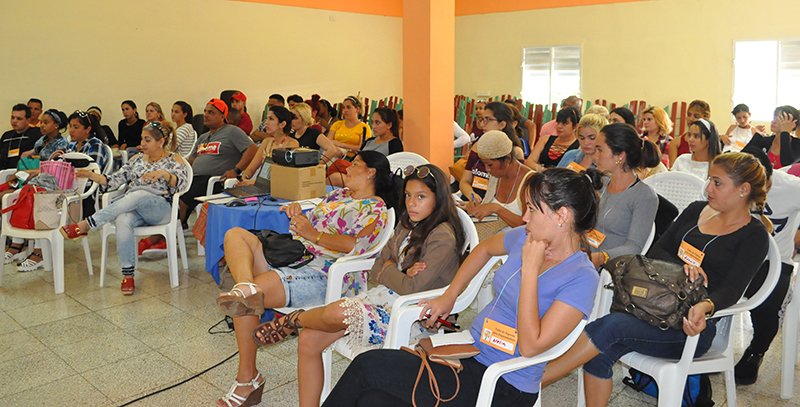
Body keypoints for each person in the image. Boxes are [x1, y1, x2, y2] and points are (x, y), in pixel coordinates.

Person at [321, 168, 601, 407]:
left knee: (368, 367)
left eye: (532, 209)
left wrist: (529, 270)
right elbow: (483, 249)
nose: (525, 217)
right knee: (373, 399)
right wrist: (450, 295)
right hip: (469, 354)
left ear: (562, 215)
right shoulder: (526, 238)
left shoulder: (581, 277)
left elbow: (530, 347)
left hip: (504, 383)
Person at [541, 152, 773, 407]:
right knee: (600, 350)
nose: (708, 188)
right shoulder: (696, 211)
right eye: (710, 180)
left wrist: (705, 306)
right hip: (654, 307)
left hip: (692, 326)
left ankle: (533, 381)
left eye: (717, 183)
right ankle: (533, 381)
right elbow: (658, 250)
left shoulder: (754, 235)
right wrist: (684, 267)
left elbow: (732, 289)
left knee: (611, 327)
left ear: (743, 189)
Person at [254, 164, 464, 407]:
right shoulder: (408, 224)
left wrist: (391, 269)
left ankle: (294, 319)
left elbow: (410, 288)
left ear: (439, 199)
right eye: (408, 195)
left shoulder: (442, 236)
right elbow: (376, 268)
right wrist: (399, 271)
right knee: (309, 339)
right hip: (384, 299)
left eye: (421, 197)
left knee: (340, 311)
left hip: (412, 316)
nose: (411, 203)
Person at [213, 151, 399, 407]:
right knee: (235, 235)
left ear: (371, 172)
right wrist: (298, 212)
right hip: (296, 257)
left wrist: (314, 235)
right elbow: (312, 220)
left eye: (355, 164)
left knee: (248, 300)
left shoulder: (376, 208)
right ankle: (245, 287)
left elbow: (356, 245)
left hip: (324, 273)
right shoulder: (340, 195)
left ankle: (248, 379)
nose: (347, 168)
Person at [59, 121, 189, 295]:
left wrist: (164, 174)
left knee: (138, 194)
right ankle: (128, 275)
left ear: (161, 142)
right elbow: (114, 181)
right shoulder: (136, 160)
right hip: (134, 206)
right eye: (142, 139)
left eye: (147, 140)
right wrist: (92, 175)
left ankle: (87, 224)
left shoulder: (174, 159)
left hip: (162, 209)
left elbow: (182, 186)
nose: (142, 144)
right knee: (123, 218)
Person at [734, 147, 800, 385]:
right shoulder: (729, 182)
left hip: (775, 261)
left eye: (766, 186)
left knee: (770, 299)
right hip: (736, 255)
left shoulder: (792, 187)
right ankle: (706, 342)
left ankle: (757, 351)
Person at [587, 123, 660, 268]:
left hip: (609, 268)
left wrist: (601, 257)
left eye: (600, 150)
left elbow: (634, 247)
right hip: (584, 258)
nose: (595, 156)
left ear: (620, 156)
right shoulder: (601, 183)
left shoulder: (644, 196)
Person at [6, 109, 70, 271]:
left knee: (35, 197)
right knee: (19, 195)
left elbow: (53, 168)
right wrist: (25, 159)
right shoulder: (42, 140)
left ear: (56, 125)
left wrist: (29, 171)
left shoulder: (61, 144)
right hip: (37, 179)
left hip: (52, 184)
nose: (41, 125)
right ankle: (17, 244)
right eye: (41, 122)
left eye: (46, 122)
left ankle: (39, 252)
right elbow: (33, 155)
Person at [179, 99, 257, 227]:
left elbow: (252, 149)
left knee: (181, 199)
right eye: (205, 111)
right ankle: (178, 225)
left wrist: (236, 170)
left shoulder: (232, 131)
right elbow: (191, 160)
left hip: (215, 181)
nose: (205, 115)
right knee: (173, 190)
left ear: (222, 116)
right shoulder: (203, 137)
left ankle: (172, 230)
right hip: (195, 178)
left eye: (211, 112)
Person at [466, 130, 533, 239]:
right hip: (490, 240)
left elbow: (528, 226)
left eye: (490, 165)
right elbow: (488, 209)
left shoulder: (530, 181)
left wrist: (497, 209)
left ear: (507, 159)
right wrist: (475, 208)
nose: (487, 169)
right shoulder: (496, 176)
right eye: (484, 164)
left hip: (515, 243)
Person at [459, 103, 525, 201]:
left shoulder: (515, 152)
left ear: (502, 124)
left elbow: (515, 190)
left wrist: (485, 205)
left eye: (488, 120)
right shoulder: (477, 146)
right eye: (482, 120)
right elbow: (464, 181)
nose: (482, 124)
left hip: (496, 204)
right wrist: (472, 196)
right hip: (471, 200)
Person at [235, 105, 299, 187]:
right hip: (260, 184)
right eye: (267, 118)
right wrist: (244, 177)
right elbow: (251, 168)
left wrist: (254, 183)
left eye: (271, 119)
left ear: (282, 124)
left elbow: (285, 177)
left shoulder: (292, 144)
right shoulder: (266, 142)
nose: (266, 122)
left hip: (277, 188)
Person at [744, 105, 800, 170]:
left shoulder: (797, 144)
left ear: (793, 124)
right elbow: (742, 157)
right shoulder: (767, 141)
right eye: (774, 118)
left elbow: (787, 163)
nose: (773, 121)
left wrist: (785, 132)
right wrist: (758, 136)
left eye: (780, 119)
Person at [327, 96, 372, 160]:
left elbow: (362, 148)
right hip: (334, 155)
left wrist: (342, 145)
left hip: (352, 159)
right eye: (343, 108)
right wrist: (335, 149)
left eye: (348, 107)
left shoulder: (364, 127)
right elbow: (327, 141)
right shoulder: (337, 124)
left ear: (357, 109)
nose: (345, 110)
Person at [668, 100, 710, 167]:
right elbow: (673, 168)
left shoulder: (711, 142)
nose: (691, 119)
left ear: (706, 118)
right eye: (689, 115)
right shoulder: (676, 142)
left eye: (696, 116)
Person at [1, 103, 41, 170]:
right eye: (13, 117)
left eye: (19, 119)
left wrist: (33, 151)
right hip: (5, 171)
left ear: (28, 120)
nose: (14, 121)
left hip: (28, 170)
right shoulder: (6, 136)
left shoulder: (37, 133)